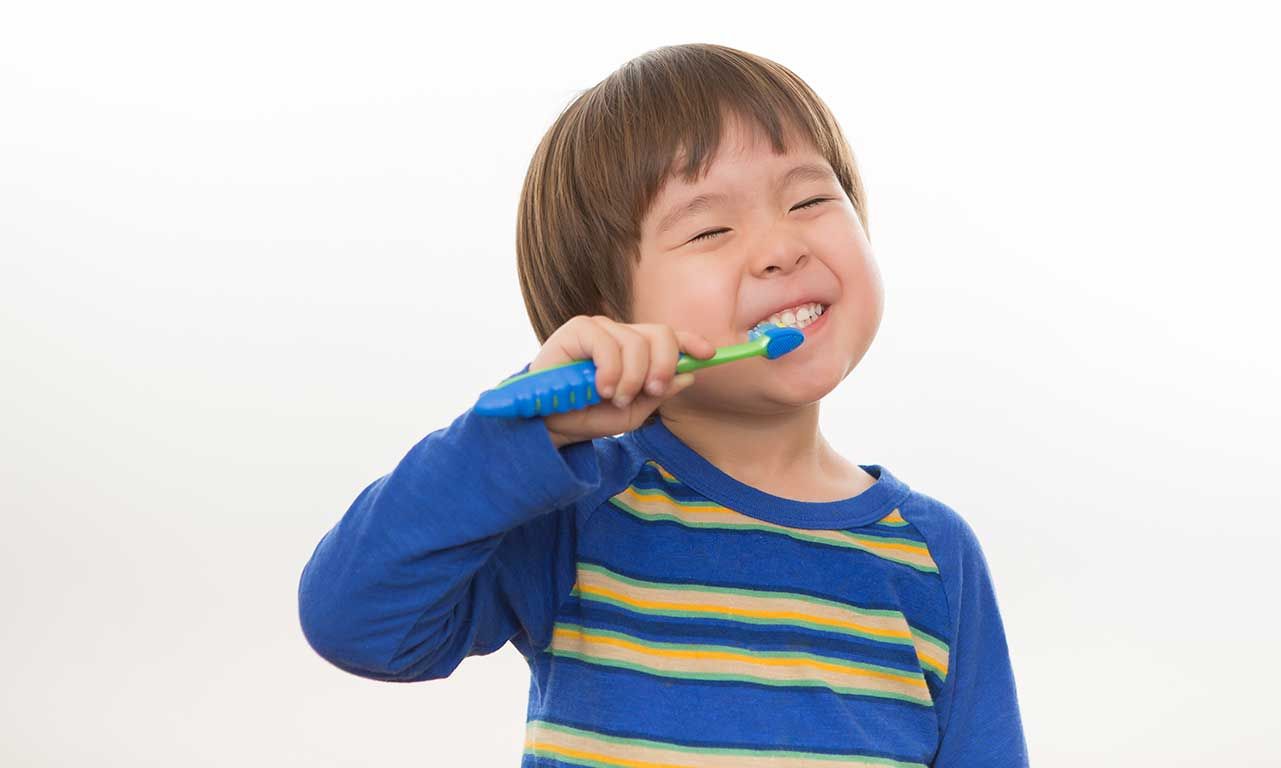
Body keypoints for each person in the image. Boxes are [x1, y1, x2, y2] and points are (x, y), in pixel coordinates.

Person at [298, 43, 1029, 768]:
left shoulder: (935, 555)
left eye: (809, 199)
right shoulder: (576, 508)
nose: (781, 247)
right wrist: (524, 430)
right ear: (610, 318)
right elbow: (354, 621)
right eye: (710, 229)